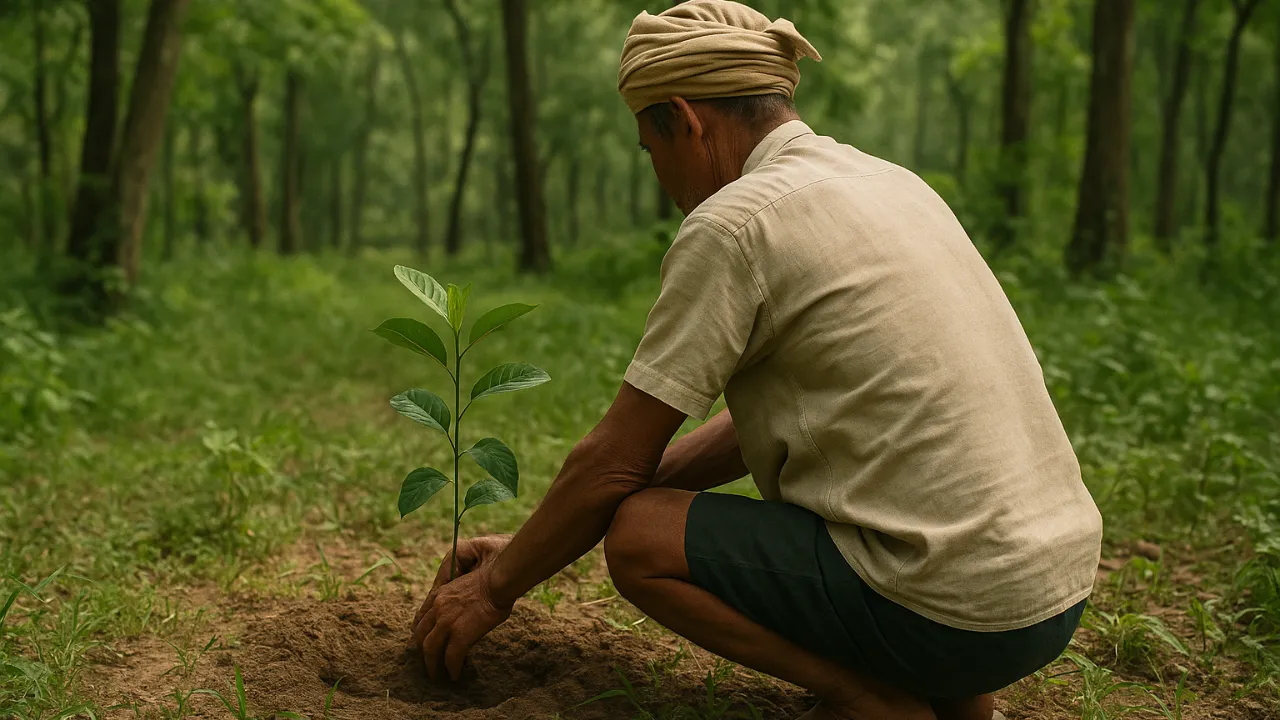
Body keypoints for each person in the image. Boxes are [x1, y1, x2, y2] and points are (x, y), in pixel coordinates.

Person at [409, 2, 1103, 718]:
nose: (662, 179)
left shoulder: (735, 223)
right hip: (1050, 595)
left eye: (653, 151)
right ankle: (955, 699)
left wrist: (493, 590)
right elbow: (799, 415)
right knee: (919, 547)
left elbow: (615, 462)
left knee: (641, 536)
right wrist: (535, 542)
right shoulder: (893, 183)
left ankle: (867, 698)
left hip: (945, 607)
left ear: (684, 118)